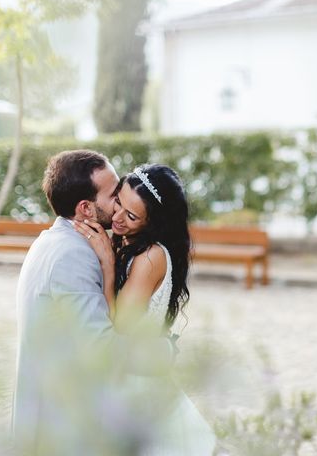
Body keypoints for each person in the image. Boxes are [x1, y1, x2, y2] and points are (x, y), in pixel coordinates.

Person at [12, 151, 178, 455]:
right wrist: (165, 351)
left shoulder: (54, 241)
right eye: (115, 195)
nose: (119, 204)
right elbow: (103, 349)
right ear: (86, 208)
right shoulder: (73, 256)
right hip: (62, 422)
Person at [74, 163, 215, 455]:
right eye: (119, 204)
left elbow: (118, 327)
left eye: (132, 216)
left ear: (154, 224)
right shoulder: (127, 241)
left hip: (137, 387)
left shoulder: (151, 257)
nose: (117, 218)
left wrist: (108, 268)